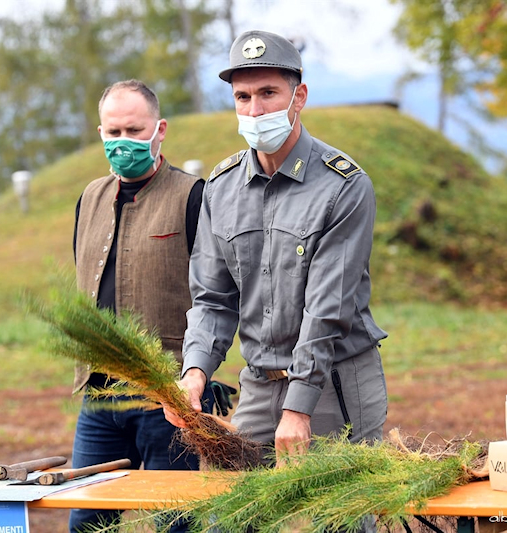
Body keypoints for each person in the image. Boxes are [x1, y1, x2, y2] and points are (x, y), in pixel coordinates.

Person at [164, 30, 388, 464]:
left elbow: (327, 308)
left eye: (269, 93)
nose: (255, 109)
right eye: (242, 97)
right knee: (230, 515)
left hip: (334, 387)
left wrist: (299, 406)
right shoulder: (221, 188)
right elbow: (212, 297)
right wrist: (194, 372)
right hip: (259, 386)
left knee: (340, 520)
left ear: (298, 96)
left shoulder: (344, 186)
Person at [71, 79, 226, 533]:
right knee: (86, 521)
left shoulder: (193, 196)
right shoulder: (89, 199)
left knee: (177, 521)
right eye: (113, 133)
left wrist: (197, 376)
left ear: (159, 129)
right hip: (99, 399)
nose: (123, 143)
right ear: (101, 133)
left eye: (134, 131)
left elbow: (215, 295)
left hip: (169, 398)